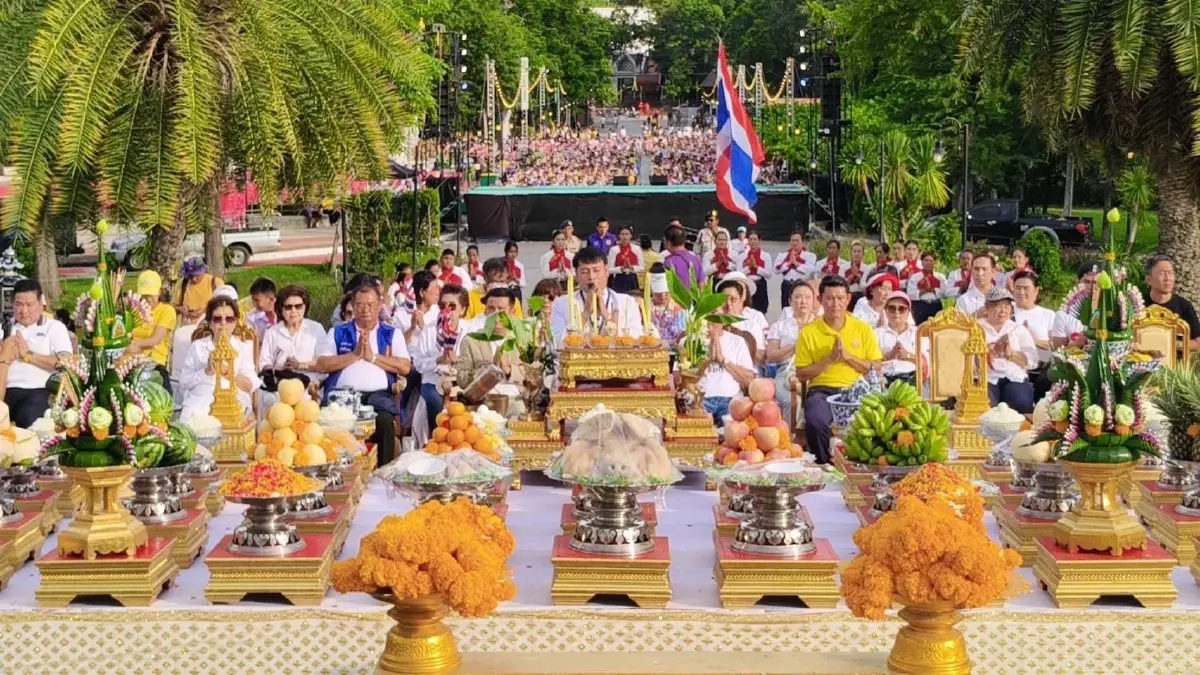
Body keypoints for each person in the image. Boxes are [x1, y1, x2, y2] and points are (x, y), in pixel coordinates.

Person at [314, 284, 411, 465]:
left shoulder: (391, 333)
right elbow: (322, 364)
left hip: (378, 397)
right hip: (342, 398)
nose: (365, 310)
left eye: (370, 304)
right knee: (331, 423)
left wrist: (372, 357)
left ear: (380, 305)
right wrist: (355, 354)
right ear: (352, 306)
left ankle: (383, 475)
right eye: (360, 305)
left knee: (384, 421)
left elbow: (405, 367)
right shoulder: (338, 332)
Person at [794, 276, 883, 463]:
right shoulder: (809, 332)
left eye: (840, 298)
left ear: (848, 299)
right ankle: (824, 464)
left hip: (856, 389)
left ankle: (862, 466)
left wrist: (849, 357)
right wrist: (829, 360)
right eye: (829, 298)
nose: (835, 304)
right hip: (822, 390)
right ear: (820, 300)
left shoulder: (862, 329)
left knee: (878, 422)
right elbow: (801, 374)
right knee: (815, 420)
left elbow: (876, 366)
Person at [178, 296, 261, 422]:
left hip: (234, 399)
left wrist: (227, 372)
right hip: (201, 397)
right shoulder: (198, 346)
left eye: (229, 319)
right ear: (210, 323)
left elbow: (250, 385)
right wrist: (207, 372)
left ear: (235, 322)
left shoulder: (242, 347)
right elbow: (184, 382)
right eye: (217, 319)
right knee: (192, 419)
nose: (223, 323)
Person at [0, 281, 70, 426]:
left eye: (30, 305)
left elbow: (65, 362)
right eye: (19, 304)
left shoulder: (54, 327)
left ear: (41, 303)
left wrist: (28, 355)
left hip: (38, 390)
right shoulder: (4, 328)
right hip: (4, 390)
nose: (24, 311)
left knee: (29, 417)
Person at [549, 246, 644, 347]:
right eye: (584, 272)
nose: (591, 277)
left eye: (596, 270)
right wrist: (585, 313)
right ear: (576, 274)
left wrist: (607, 316)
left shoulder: (626, 302)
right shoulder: (561, 303)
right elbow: (557, 343)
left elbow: (636, 340)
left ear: (606, 271)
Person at [455, 287, 525, 418]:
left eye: (501, 309)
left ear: (512, 312)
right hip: (483, 402)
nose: (496, 314)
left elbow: (534, 377)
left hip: (515, 400)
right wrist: (482, 374)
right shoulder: (471, 340)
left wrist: (509, 370)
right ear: (486, 311)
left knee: (520, 411)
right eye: (491, 309)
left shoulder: (523, 341)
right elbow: (461, 379)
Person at [257, 285, 327, 412]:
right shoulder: (272, 332)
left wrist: (301, 365)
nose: (293, 311)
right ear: (281, 309)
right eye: (288, 307)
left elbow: (323, 361)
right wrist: (281, 370)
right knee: (268, 400)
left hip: (309, 387)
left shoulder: (316, 329)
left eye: (298, 306)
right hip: (279, 388)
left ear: (305, 307)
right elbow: (264, 363)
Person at [411, 284, 469, 426]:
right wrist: (438, 360)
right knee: (436, 404)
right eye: (443, 305)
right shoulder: (429, 330)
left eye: (452, 306)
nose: (447, 310)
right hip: (432, 381)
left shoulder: (469, 331)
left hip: (460, 381)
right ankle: (436, 440)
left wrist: (457, 361)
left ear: (462, 309)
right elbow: (418, 364)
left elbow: (473, 363)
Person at [979, 287, 1038, 413]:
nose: (1002, 310)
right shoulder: (975, 329)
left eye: (1006, 306)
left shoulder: (1018, 329)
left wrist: (1011, 354)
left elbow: (1033, 361)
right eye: (997, 306)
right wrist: (990, 353)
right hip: (986, 378)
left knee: (1020, 403)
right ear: (986, 308)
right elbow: (964, 359)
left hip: (1014, 377)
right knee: (985, 407)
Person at [768, 283, 817, 423]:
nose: (803, 301)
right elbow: (771, 356)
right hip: (786, 371)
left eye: (808, 297)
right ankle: (790, 441)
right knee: (790, 401)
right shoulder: (779, 326)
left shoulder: (820, 325)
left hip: (814, 371)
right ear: (790, 301)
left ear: (813, 301)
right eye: (798, 297)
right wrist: (795, 347)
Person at [126, 271, 177, 394]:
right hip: (128, 363)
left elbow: (155, 340)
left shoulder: (167, 311)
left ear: (159, 292)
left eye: (152, 295)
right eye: (144, 295)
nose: (148, 299)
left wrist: (134, 344)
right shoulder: (131, 311)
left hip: (154, 364)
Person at [698, 315, 756, 423]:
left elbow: (748, 380)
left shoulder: (737, 341)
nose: (711, 320)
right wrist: (707, 359)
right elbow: (680, 379)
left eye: (715, 315)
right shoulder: (689, 341)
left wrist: (723, 360)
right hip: (700, 401)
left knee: (731, 433)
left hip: (731, 400)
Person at [1011, 270, 1055, 399]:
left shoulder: (1048, 315)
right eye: (1018, 288)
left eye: (1026, 288)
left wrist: (1032, 339)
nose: (1021, 292)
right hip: (1015, 365)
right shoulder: (1006, 311)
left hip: (1043, 367)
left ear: (1036, 291)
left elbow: (1055, 345)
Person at [1144, 255, 1200, 350]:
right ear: (1149, 279)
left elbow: (1198, 343)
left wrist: (1172, 344)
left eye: (1170, 273)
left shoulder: (1184, 306)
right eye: (1162, 273)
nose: (1167, 278)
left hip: (1176, 363)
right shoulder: (1138, 303)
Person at [716, 272, 768, 363]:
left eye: (733, 299)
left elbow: (763, 357)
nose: (728, 303)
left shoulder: (752, 323)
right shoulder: (711, 323)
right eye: (724, 299)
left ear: (740, 298)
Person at [875, 292, 919, 386]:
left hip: (912, 380)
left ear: (908, 312)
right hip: (883, 380)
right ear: (885, 311)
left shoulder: (918, 333)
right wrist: (888, 356)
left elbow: (928, 361)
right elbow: (869, 362)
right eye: (892, 308)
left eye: (902, 309)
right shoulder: (876, 334)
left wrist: (907, 355)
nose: (896, 312)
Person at [1050, 261, 1098, 348]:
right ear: (1077, 282)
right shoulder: (1063, 315)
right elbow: (1057, 353)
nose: (1091, 287)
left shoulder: (1109, 312)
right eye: (1087, 282)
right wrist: (1073, 345)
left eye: (1095, 283)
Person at [646, 264, 686, 352]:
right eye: (658, 292)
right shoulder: (644, 308)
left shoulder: (682, 307)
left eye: (666, 291)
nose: (663, 295)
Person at [397, 271, 442, 346]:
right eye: (435, 288)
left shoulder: (438, 314)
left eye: (438, 288)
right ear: (421, 292)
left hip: (430, 357)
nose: (438, 292)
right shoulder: (401, 314)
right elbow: (396, 345)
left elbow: (439, 346)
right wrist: (411, 329)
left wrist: (423, 327)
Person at [176, 257, 223, 324]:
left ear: (203, 271)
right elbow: (172, 307)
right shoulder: (182, 284)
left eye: (197, 275)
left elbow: (225, 305)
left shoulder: (215, 282)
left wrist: (205, 309)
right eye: (191, 276)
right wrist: (181, 309)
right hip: (187, 328)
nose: (194, 279)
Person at [775, 231, 816, 307]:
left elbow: (810, 270)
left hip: (801, 284)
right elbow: (776, 270)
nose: (795, 243)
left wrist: (796, 264)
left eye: (797, 240)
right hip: (786, 285)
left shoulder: (809, 256)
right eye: (793, 240)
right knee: (786, 308)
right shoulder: (783, 255)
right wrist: (788, 263)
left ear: (802, 242)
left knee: (801, 307)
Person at [907, 252, 948, 324]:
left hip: (936, 306)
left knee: (936, 329)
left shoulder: (940, 277)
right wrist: (923, 291)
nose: (928, 262)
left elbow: (945, 294)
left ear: (934, 263)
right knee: (920, 329)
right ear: (922, 262)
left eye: (931, 261)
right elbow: (910, 294)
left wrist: (933, 290)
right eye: (926, 260)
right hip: (920, 306)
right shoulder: (915, 277)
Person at [953, 252, 997, 317]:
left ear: (993, 272)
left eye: (984, 269)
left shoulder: (1003, 299)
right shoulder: (963, 300)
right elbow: (956, 326)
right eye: (976, 269)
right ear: (972, 272)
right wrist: (974, 316)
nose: (980, 273)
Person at [740, 231, 773, 314]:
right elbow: (739, 273)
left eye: (755, 239)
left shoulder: (766, 256)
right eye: (750, 239)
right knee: (746, 309)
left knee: (761, 309)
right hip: (747, 284)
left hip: (760, 284)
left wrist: (756, 267)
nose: (753, 242)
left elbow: (769, 274)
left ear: (759, 241)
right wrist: (749, 267)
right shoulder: (742, 256)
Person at [608, 225, 644, 294]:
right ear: (619, 236)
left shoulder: (636, 249)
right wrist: (621, 268)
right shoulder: (614, 249)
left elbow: (642, 268)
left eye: (627, 234)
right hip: (619, 279)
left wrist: (632, 267)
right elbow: (609, 270)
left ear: (631, 236)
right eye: (622, 234)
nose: (625, 237)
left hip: (632, 278)